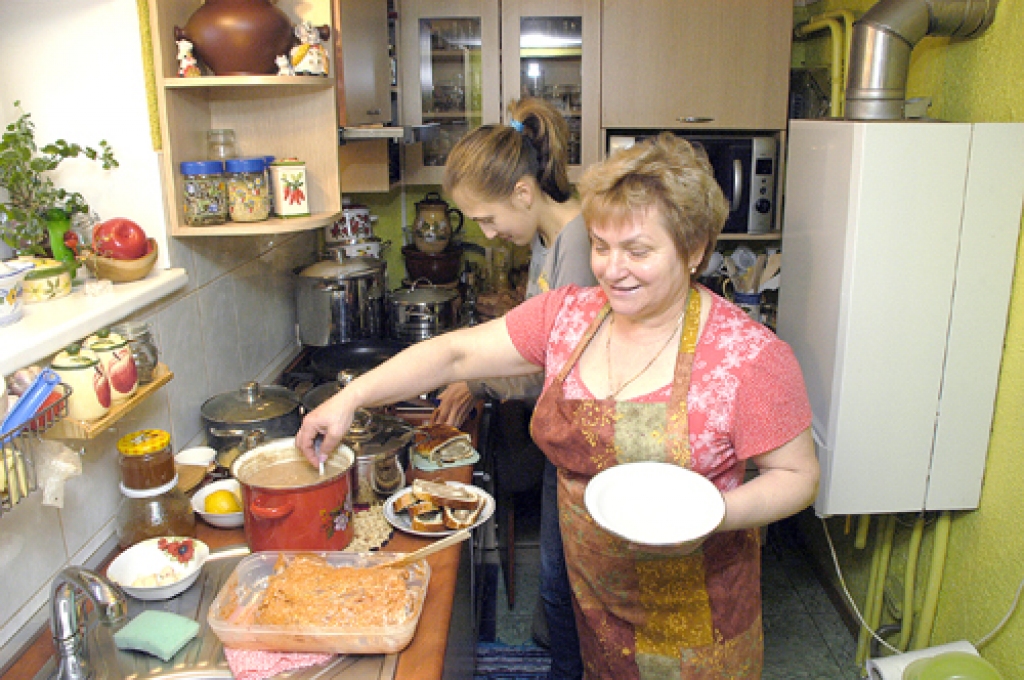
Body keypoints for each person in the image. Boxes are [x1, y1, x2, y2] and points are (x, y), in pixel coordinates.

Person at [297, 133, 819, 678]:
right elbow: (454, 353)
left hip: (695, 620)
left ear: (693, 250)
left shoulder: (748, 354)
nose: (612, 269)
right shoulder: (569, 316)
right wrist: (350, 397)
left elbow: (798, 475)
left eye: (638, 251)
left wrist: (711, 514)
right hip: (594, 601)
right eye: (600, 244)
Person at [433, 97, 594, 679]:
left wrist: (474, 374)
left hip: (588, 448)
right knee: (560, 584)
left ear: (524, 193)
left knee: (563, 586)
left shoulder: (578, 242)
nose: (489, 233)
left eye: (486, 217)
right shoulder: (550, 240)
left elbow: (556, 363)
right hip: (565, 440)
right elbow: (535, 328)